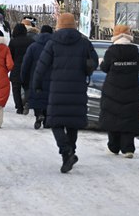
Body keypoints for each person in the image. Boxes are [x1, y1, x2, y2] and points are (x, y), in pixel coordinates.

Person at [32, 13, 98, 173]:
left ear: (59, 25)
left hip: (57, 89)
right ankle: (70, 152)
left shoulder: (52, 43)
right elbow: (94, 62)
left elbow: (41, 66)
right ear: (74, 25)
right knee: (72, 123)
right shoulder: (83, 42)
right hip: (78, 88)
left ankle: (66, 151)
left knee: (55, 122)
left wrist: (37, 85)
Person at [100, 24, 139, 159]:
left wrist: (101, 63)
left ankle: (113, 146)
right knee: (129, 118)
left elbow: (105, 67)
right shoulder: (134, 51)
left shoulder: (111, 51)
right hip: (132, 89)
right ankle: (128, 148)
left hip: (113, 90)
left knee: (113, 117)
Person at [21, 24, 54, 130]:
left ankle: (38, 115)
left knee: (37, 98)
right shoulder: (55, 47)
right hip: (51, 79)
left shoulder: (33, 47)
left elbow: (25, 64)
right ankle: (47, 119)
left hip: (35, 77)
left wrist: (24, 78)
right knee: (48, 99)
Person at [8, 23, 34, 115]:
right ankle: (27, 101)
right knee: (27, 86)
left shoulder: (13, 42)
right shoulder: (31, 41)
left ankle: (19, 107)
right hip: (28, 67)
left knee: (16, 88)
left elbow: (10, 56)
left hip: (16, 67)